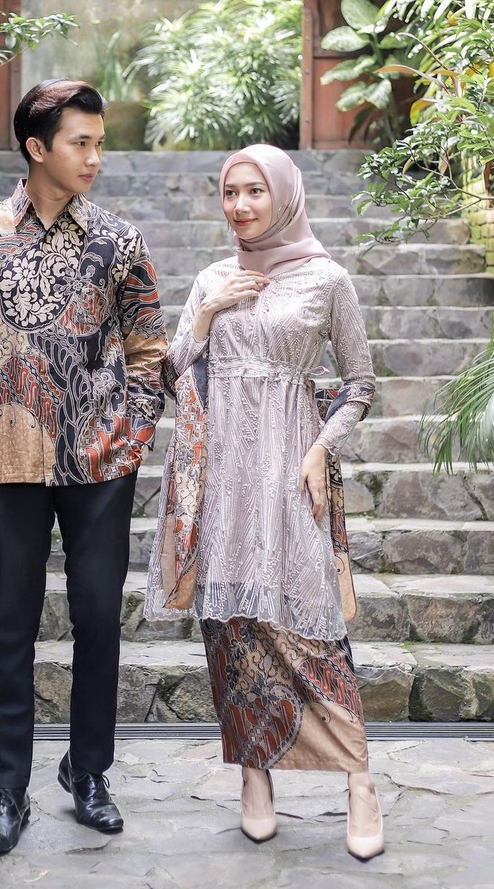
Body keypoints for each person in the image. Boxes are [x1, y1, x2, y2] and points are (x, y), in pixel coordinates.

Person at [0, 79, 168, 856]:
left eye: (100, 143)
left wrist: (131, 436)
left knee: (97, 619)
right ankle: (8, 791)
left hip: (100, 463)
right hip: (6, 460)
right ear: (37, 148)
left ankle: (88, 773)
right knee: (10, 629)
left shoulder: (120, 241)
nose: (94, 157)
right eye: (80, 143)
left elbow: (149, 347)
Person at [143, 143, 385, 860]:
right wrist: (205, 316)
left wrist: (320, 449)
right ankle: (254, 773)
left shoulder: (327, 279)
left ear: (283, 195)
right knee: (233, 627)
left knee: (314, 627)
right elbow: (169, 376)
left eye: (255, 191)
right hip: (222, 478)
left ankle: (359, 780)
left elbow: (360, 383)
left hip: (291, 471)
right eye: (231, 192)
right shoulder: (212, 278)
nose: (242, 205)